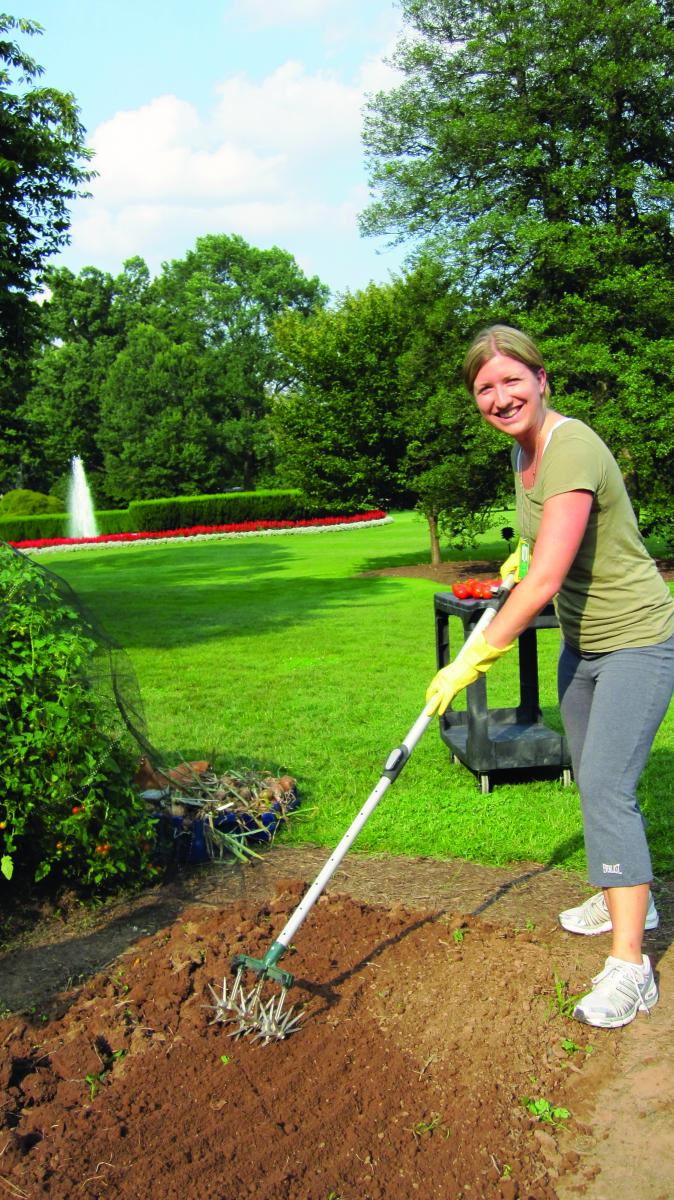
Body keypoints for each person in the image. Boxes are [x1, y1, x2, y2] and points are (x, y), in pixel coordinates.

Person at [425, 324, 674, 1029]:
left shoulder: (572, 446)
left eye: (512, 380)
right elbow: (543, 543)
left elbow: (544, 585)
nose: (500, 397)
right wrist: (520, 556)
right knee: (590, 767)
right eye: (485, 388)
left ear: (542, 380)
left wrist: (472, 658)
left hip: (637, 642)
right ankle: (628, 891)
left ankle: (632, 965)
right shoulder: (524, 453)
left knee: (605, 784)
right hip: (585, 646)